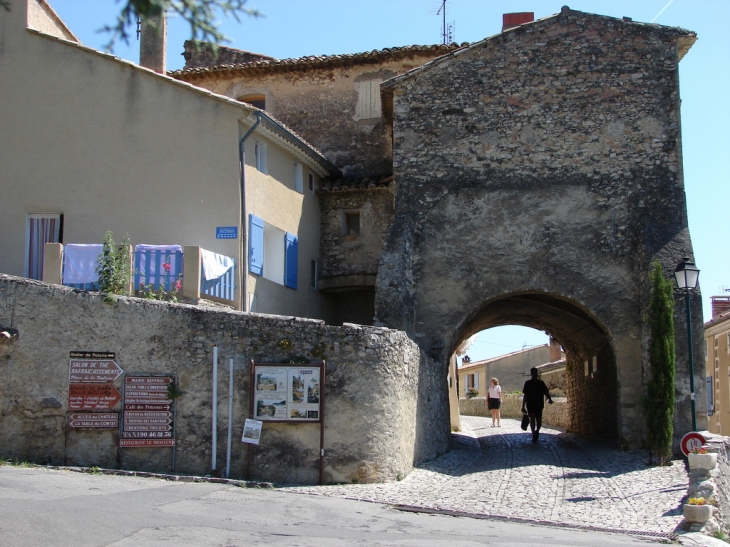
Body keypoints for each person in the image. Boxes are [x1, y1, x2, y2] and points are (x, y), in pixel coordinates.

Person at [521, 367, 553, 442]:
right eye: (533, 372)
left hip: (539, 403)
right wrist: (523, 406)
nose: (535, 374)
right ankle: (533, 433)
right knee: (532, 418)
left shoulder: (541, 383)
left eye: (536, 372)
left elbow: (546, 392)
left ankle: (537, 430)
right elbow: (525, 395)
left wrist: (550, 399)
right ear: (531, 373)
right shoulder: (528, 383)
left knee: (539, 419)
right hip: (530, 403)